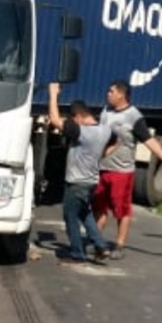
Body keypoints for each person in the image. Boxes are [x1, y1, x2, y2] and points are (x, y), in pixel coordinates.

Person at [94, 79, 162, 259]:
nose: (108, 94)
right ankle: (96, 241)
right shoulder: (105, 111)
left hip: (122, 172)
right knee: (99, 207)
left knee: (121, 209)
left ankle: (119, 244)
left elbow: (148, 140)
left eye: (111, 91)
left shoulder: (134, 116)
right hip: (102, 168)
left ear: (121, 95)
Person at [47, 82, 111, 264]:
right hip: (91, 181)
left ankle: (77, 254)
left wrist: (53, 95)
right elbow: (118, 140)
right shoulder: (104, 130)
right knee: (85, 214)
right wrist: (102, 154)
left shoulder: (81, 132)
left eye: (73, 119)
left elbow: (54, 119)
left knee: (70, 218)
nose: (72, 123)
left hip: (76, 183)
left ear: (80, 116)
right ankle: (101, 246)